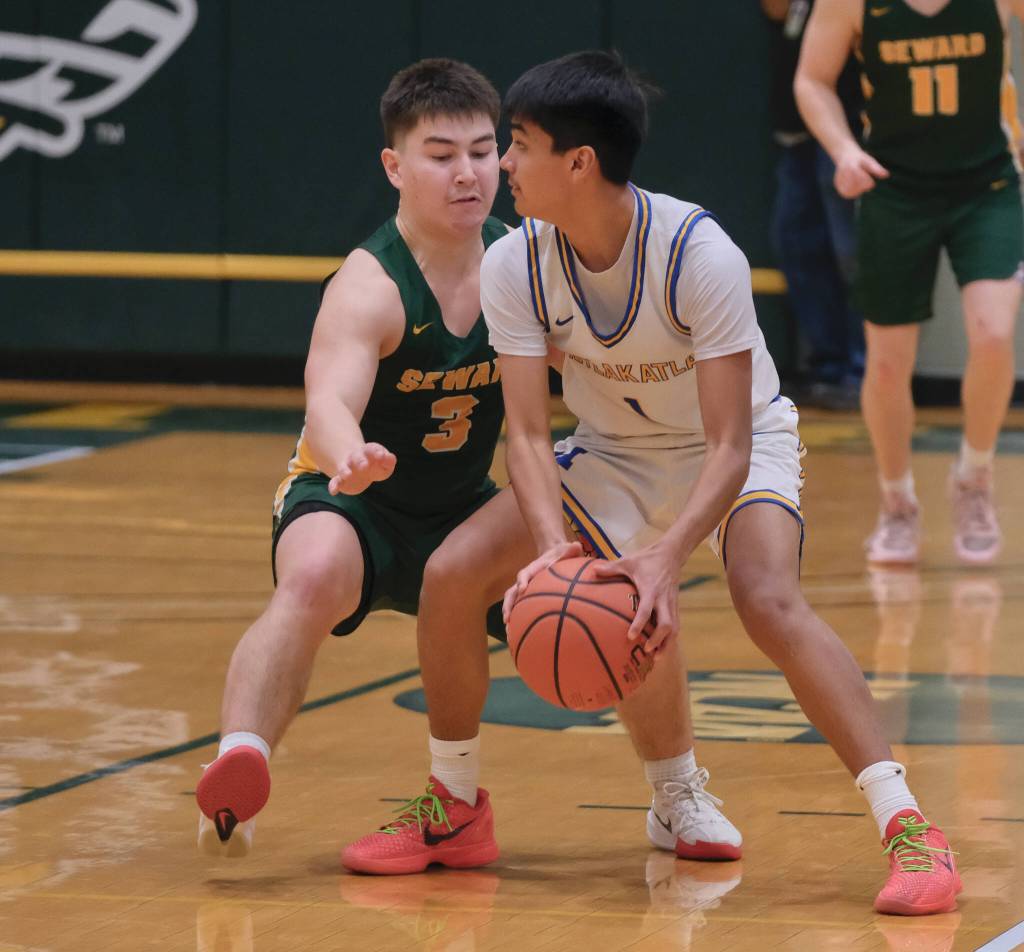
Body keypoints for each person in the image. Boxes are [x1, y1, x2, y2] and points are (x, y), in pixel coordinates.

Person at [347, 51, 962, 917]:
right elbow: (525, 433)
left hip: (734, 447)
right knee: (454, 574)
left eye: (516, 146)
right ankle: (455, 805)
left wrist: (665, 558)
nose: (501, 168)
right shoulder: (513, 262)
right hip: (612, 450)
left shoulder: (699, 253)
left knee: (765, 597)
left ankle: (909, 828)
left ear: (578, 162)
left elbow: (730, 443)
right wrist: (557, 553)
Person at [193, 57, 512, 858]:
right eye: (442, 155)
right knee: (311, 577)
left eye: (482, 150)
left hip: (465, 503)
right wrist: (350, 455)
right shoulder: (370, 284)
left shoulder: (526, 262)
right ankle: (241, 760)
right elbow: (327, 401)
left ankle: (674, 790)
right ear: (395, 167)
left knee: (605, 601)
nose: (467, 172)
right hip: (351, 495)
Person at [795, 0, 1024, 565]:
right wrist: (844, 151)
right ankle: (897, 502)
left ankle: (973, 476)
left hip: (988, 182)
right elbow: (812, 80)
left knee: (995, 334)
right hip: (893, 189)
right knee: (890, 361)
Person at [762, 0, 864, 409]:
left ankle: (863, 369)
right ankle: (828, 366)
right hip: (797, 133)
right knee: (797, 247)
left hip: (849, 128)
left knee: (853, 252)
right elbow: (774, 10)